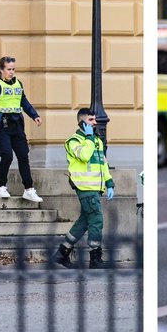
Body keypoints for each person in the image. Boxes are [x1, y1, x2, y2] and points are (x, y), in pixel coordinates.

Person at [54, 108, 115, 269]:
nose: (95, 123)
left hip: (95, 188)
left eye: (94, 120)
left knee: (84, 222)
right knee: (96, 219)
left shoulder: (97, 141)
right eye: (90, 120)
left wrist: (109, 183)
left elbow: (103, 165)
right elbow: (85, 156)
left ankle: (62, 253)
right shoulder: (73, 141)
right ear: (81, 122)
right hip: (84, 187)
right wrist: (88, 137)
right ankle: (95, 258)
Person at [0, 56, 43, 202]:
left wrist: (34, 115)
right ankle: (1, 187)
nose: (12, 72)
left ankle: (29, 189)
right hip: (1, 125)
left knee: (23, 156)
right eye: (9, 69)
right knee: (7, 155)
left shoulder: (17, 84)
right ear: (1, 70)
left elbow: (23, 101)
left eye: (13, 69)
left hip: (16, 125)